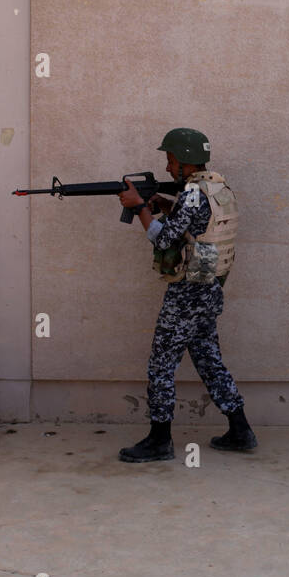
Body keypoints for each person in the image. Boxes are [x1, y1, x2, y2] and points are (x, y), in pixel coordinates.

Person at [115, 128, 255, 462]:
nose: (166, 167)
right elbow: (194, 226)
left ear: (185, 162)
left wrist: (139, 208)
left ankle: (159, 440)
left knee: (161, 364)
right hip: (209, 289)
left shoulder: (193, 192)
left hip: (188, 294)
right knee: (209, 360)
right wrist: (164, 204)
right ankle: (240, 429)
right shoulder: (216, 187)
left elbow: (164, 240)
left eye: (170, 159)